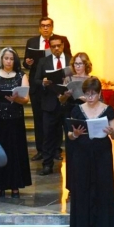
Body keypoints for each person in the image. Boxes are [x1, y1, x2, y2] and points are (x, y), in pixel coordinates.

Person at [68, 77, 114, 227]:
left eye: (93, 94)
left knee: (101, 190)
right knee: (82, 189)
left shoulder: (108, 110)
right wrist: (74, 134)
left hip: (102, 153)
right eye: (87, 94)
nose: (90, 98)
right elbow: (70, 134)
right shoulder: (77, 110)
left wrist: (111, 132)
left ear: (99, 93)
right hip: (81, 153)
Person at [0, 47, 31, 198]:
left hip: (14, 119)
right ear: (1, 59)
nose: (8, 61)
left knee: (14, 151)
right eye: (6, 58)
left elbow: (26, 99)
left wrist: (15, 99)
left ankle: (15, 186)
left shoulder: (22, 76)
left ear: (15, 60)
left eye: (11, 58)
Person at [23, 17, 72, 161]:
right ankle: (41, 150)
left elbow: (69, 59)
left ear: (52, 27)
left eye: (48, 25)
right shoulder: (31, 42)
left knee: (57, 118)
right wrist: (28, 62)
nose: (45, 28)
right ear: (39, 28)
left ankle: (56, 149)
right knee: (39, 120)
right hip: (39, 86)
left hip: (57, 86)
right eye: (43, 26)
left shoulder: (61, 40)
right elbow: (26, 64)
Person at [34, 35, 71, 175]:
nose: (56, 49)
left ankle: (72, 165)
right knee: (48, 135)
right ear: (50, 47)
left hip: (67, 102)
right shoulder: (43, 61)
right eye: (53, 46)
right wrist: (43, 82)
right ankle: (47, 164)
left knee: (70, 134)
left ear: (62, 45)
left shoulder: (70, 59)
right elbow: (36, 80)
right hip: (49, 102)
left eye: (59, 46)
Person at [58, 52, 92, 190]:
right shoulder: (68, 79)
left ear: (86, 65)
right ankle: (73, 186)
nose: (78, 66)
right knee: (72, 149)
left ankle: (87, 182)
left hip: (87, 114)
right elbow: (60, 100)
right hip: (71, 112)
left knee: (87, 148)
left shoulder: (91, 79)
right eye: (76, 64)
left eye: (81, 63)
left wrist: (86, 99)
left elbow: (101, 100)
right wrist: (66, 95)